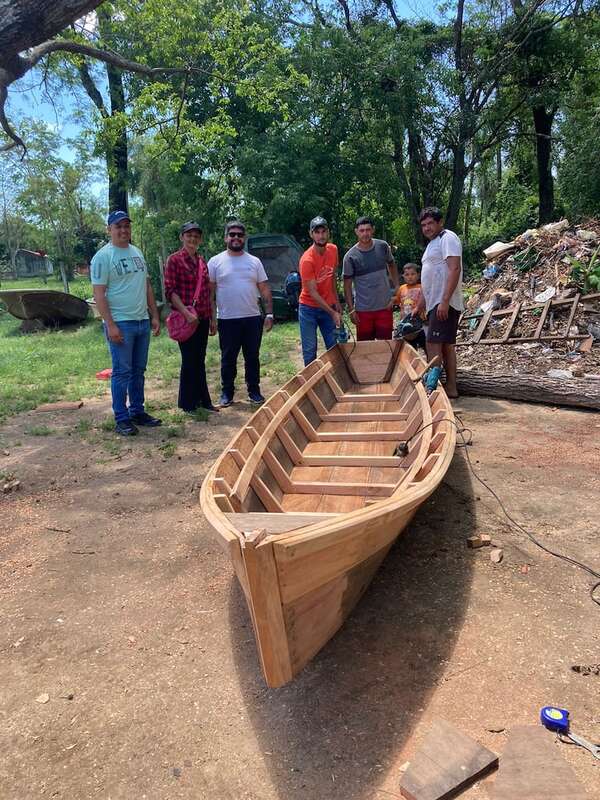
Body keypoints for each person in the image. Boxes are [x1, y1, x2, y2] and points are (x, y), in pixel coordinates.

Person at [91, 210, 162, 436]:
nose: (123, 230)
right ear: (109, 229)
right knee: (122, 372)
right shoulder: (103, 257)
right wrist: (110, 324)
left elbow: (147, 286)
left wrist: (155, 315)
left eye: (126, 226)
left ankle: (137, 411)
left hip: (141, 321)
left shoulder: (137, 252)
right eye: (118, 226)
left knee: (138, 371)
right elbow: (99, 294)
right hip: (121, 323)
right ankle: (121, 418)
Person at [208, 220, 273, 406]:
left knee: (252, 356)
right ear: (225, 237)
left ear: (244, 238)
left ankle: (254, 390)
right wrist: (212, 318)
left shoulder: (254, 262)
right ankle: (227, 392)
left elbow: (265, 289)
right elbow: (210, 293)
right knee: (228, 358)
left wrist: (269, 314)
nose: (236, 237)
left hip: (252, 318)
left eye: (239, 235)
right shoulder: (215, 262)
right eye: (232, 234)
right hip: (227, 319)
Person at [164, 221, 218, 414]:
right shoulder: (174, 260)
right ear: (182, 237)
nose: (192, 239)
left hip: (202, 317)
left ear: (200, 239)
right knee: (189, 359)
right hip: (186, 318)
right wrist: (186, 314)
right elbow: (170, 291)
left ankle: (204, 400)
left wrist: (212, 318)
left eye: (196, 236)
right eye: (189, 235)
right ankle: (187, 403)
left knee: (200, 359)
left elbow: (206, 292)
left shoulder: (202, 262)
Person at [416, 207, 464, 398]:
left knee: (434, 345)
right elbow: (429, 276)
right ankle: (449, 387)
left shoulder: (447, 237)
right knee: (444, 346)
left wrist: (444, 301)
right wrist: (421, 303)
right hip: (434, 302)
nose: (427, 228)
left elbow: (454, 269)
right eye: (424, 225)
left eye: (430, 223)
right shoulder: (431, 245)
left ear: (440, 222)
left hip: (444, 302)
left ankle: (433, 388)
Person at [343, 216, 399, 340]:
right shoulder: (350, 257)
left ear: (373, 230)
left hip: (385, 307)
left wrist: (396, 288)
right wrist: (351, 310)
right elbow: (347, 286)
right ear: (356, 232)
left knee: (386, 347)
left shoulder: (383, 246)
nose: (365, 233)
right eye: (362, 230)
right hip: (363, 311)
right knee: (365, 350)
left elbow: (392, 264)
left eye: (368, 230)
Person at [297, 216, 341, 366]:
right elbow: (313, 293)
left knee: (334, 346)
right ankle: (311, 386)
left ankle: (339, 381)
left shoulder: (333, 250)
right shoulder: (307, 260)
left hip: (328, 305)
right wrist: (332, 312)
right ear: (311, 234)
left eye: (324, 231)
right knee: (310, 351)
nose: (321, 235)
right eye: (317, 232)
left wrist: (336, 302)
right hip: (308, 308)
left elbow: (332, 277)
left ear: (328, 232)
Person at [392, 262, 427, 349]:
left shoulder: (421, 287)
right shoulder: (402, 288)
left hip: (420, 322)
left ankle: (429, 361)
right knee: (410, 347)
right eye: (407, 274)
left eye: (412, 274)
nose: (410, 276)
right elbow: (397, 300)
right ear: (403, 276)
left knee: (425, 344)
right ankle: (413, 362)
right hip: (406, 323)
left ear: (418, 275)